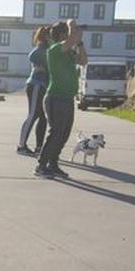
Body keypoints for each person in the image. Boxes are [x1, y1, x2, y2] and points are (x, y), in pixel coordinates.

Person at [36, 20, 86, 179]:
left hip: (67, 98)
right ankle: (41, 165)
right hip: (55, 98)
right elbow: (70, 39)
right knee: (56, 132)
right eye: (68, 32)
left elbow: (83, 61)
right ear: (62, 35)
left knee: (64, 134)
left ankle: (53, 163)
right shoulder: (55, 49)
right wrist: (72, 25)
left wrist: (80, 43)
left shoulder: (69, 51)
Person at [17, 26, 51, 155]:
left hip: (43, 86)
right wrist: (39, 66)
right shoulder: (41, 49)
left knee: (43, 117)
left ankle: (39, 147)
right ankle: (21, 146)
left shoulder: (48, 49)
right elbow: (32, 56)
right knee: (33, 115)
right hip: (36, 85)